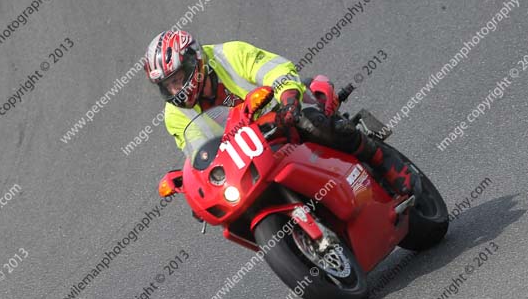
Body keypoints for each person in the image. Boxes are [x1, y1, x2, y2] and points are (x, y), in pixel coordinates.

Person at [143, 30, 415, 196]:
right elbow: (198, 151)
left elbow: (277, 70)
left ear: (194, 61)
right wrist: (190, 182)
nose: (177, 88)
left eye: (178, 78)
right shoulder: (174, 115)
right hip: (251, 153)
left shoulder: (229, 54)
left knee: (310, 122)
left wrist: (287, 100)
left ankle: (384, 161)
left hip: (283, 113)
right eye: (169, 85)